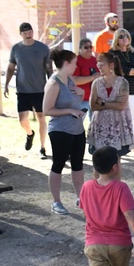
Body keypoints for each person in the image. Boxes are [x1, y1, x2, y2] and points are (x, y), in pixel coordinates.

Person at [43, 49, 87, 215]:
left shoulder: (69, 80)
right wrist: (69, 111)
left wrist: (81, 93)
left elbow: (75, 99)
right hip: (60, 130)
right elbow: (47, 110)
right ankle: (56, 201)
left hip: (77, 129)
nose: (77, 66)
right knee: (58, 164)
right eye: (74, 63)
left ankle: (80, 197)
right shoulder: (54, 83)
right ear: (66, 63)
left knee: (78, 165)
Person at [4, 22, 52, 158]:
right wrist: (7, 84)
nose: (28, 35)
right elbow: (11, 67)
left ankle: (42, 147)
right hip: (23, 89)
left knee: (41, 118)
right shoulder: (16, 49)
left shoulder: (43, 48)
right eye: (25, 33)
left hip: (40, 89)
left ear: (33, 32)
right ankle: (30, 133)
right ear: (21, 34)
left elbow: (49, 68)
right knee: (22, 119)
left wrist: (51, 85)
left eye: (30, 32)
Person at [88, 53, 134, 157]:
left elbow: (121, 106)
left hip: (118, 127)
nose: (99, 67)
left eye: (102, 64)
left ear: (111, 65)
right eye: (98, 64)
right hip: (100, 126)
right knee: (98, 161)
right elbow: (93, 106)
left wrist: (103, 103)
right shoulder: (96, 83)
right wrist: (113, 104)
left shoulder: (123, 82)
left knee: (116, 161)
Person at [108, 28, 134, 153]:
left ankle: (133, 143)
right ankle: (115, 142)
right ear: (116, 39)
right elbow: (119, 70)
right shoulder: (113, 53)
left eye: (126, 36)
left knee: (132, 117)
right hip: (118, 88)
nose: (125, 38)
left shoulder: (133, 52)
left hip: (132, 87)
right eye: (121, 36)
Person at [72, 38, 99, 105]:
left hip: (94, 98)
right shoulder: (76, 61)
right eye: (86, 47)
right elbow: (75, 80)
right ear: (80, 49)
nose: (89, 49)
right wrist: (93, 77)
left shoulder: (95, 60)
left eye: (90, 47)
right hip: (81, 99)